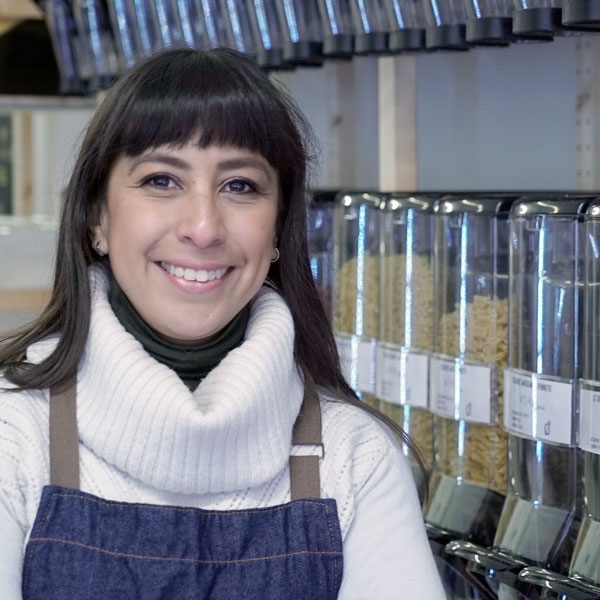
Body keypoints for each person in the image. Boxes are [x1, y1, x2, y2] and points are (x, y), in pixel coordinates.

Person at [0, 48, 445, 599]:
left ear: (279, 228)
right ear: (97, 218)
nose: (204, 228)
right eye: (162, 180)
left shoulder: (355, 458)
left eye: (240, 186)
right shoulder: (12, 437)